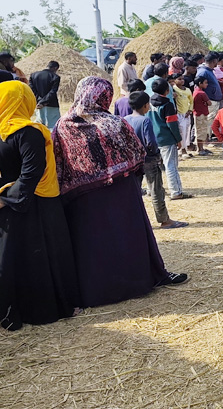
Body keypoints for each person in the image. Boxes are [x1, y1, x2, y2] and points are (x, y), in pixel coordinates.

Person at [52, 76, 187, 308]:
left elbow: (58, 162)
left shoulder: (62, 126)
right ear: (105, 97)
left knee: (93, 243)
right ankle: (138, 281)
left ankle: (96, 290)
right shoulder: (114, 123)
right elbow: (137, 155)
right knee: (127, 237)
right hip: (121, 192)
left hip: (81, 199)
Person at [0, 81, 80, 331]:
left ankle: (4, 309)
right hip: (29, 207)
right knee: (33, 260)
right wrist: (4, 200)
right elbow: (32, 173)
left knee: (4, 260)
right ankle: (36, 310)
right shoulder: (29, 132)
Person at [124, 91, 187, 229]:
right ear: (146, 105)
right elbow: (151, 142)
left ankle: (134, 221)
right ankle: (164, 220)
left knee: (135, 191)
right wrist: (156, 154)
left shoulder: (125, 119)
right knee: (156, 190)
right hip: (149, 160)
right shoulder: (145, 120)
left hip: (133, 161)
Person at [149, 78, 191, 201]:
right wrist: (178, 139)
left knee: (155, 167)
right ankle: (176, 191)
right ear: (167, 91)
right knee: (170, 166)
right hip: (167, 139)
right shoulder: (168, 105)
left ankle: (153, 191)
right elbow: (172, 124)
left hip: (153, 138)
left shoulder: (149, 103)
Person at [29, 61, 61, 129]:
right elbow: (53, 92)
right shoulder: (55, 77)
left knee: (39, 126)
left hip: (39, 105)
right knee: (53, 127)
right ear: (55, 68)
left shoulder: (33, 75)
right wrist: (43, 102)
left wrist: (40, 101)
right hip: (51, 104)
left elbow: (32, 90)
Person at [197, 52, 223, 125]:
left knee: (212, 121)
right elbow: (199, 87)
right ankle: (207, 136)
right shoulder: (203, 72)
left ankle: (209, 135)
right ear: (214, 61)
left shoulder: (209, 70)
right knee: (209, 121)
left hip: (213, 100)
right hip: (210, 101)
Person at [172, 74, 194, 158]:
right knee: (181, 132)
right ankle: (182, 150)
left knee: (186, 131)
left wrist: (190, 110)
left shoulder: (187, 90)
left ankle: (186, 147)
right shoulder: (174, 89)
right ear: (174, 80)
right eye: (179, 79)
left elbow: (191, 101)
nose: (182, 81)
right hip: (178, 114)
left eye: (183, 79)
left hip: (186, 114)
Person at [192, 76, 213, 156]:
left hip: (197, 113)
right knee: (201, 131)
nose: (207, 84)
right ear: (200, 84)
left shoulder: (195, 92)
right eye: (205, 83)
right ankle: (200, 149)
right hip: (201, 114)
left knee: (199, 131)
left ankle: (200, 148)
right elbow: (209, 103)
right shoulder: (202, 93)